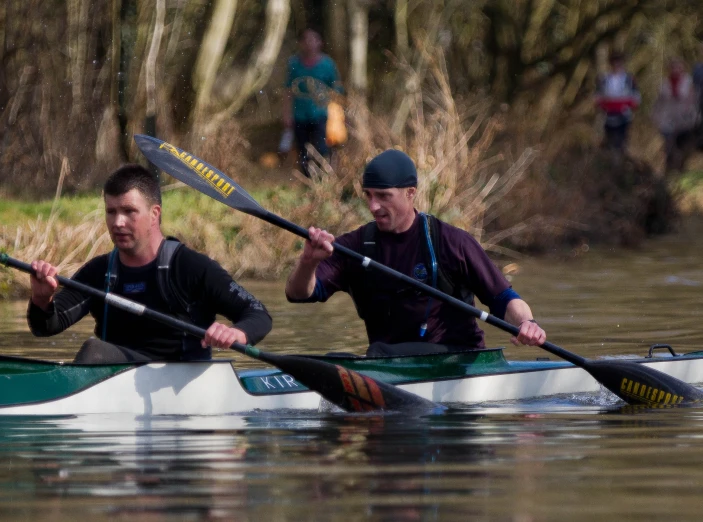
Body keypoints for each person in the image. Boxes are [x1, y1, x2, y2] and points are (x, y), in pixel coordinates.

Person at [284, 149, 547, 357]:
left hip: (457, 360)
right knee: (345, 356)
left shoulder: (451, 241)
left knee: (377, 353)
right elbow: (298, 294)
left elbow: (503, 298)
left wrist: (528, 324)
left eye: (384, 196)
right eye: (368, 195)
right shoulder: (355, 246)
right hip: (388, 364)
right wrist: (308, 262)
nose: (373, 206)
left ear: (411, 193)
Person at [28, 164, 272, 363]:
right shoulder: (99, 272)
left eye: (128, 211)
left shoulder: (190, 267)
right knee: (95, 352)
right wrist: (41, 300)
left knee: (94, 352)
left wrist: (235, 333)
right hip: (114, 380)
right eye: (111, 212)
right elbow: (47, 326)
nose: (118, 222)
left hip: (181, 388)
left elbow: (258, 313)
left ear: (154, 214)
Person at [282, 28, 343, 178]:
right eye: (306, 40)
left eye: (313, 40)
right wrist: (286, 114)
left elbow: (336, 89)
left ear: (320, 43)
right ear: (301, 43)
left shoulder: (327, 64)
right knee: (303, 149)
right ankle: (308, 181)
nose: (309, 44)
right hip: (300, 114)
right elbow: (288, 90)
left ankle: (324, 179)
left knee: (322, 147)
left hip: (321, 114)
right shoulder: (294, 63)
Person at [651, 57, 700, 172]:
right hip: (667, 121)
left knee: (682, 147)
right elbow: (658, 103)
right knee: (669, 146)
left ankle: (680, 170)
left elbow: (694, 101)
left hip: (685, 121)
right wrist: (655, 116)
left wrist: (694, 116)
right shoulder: (665, 84)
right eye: (673, 67)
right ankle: (670, 170)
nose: (676, 70)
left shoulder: (689, 83)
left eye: (678, 67)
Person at [594, 52, 641, 152]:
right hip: (608, 115)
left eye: (619, 63)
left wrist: (628, 105)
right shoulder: (604, 79)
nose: (616, 66)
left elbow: (636, 97)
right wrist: (603, 106)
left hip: (624, 114)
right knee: (609, 138)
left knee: (622, 140)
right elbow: (597, 96)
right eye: (614, 63)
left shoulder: (629, 79)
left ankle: (621, 158)